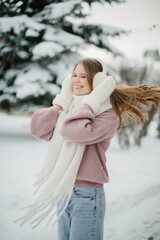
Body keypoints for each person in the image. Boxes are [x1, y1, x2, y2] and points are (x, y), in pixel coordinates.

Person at [19, 58, 160, 240]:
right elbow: (38, 129)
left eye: (83, 76)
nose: (76, 80)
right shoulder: (69, 110)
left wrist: (90, 101)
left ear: (97, 81)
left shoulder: (108, 115)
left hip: (87, 197)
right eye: (74, 75)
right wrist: (59, 104)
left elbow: (73, 132)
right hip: (63, 191)